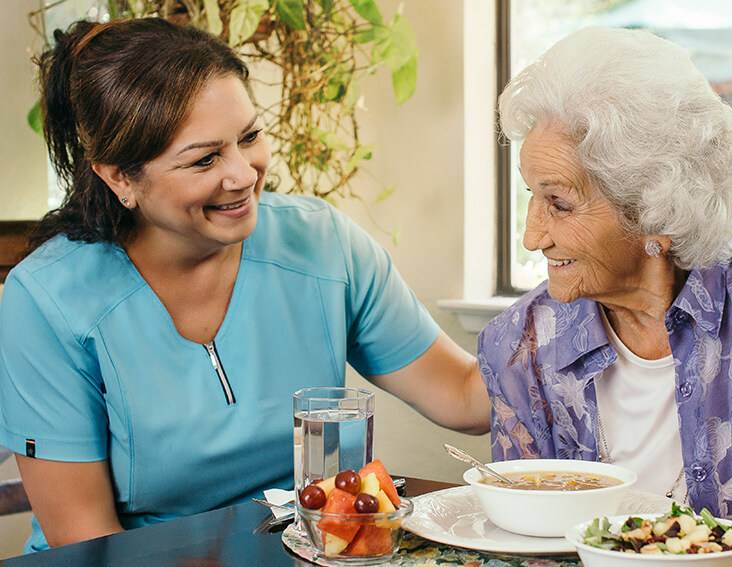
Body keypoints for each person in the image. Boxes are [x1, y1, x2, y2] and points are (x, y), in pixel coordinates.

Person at [0, 18, 490, 553]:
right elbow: (86, 540)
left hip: (297, 553)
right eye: (205, 159)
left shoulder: (322, 243)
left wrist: (585, 292)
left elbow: (464, 398)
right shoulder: (47, 299)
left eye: (250, 137)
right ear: (119, 177)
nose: (244, 174)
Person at [479, 26, 732, 530]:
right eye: (531, 194)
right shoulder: (516, 347)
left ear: (653, 211)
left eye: (560, 203)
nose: (531, 236)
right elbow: (525, 539)